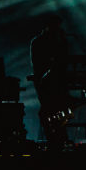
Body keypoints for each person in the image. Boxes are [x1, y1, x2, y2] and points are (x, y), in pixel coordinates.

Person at [30, 15, 71, 149]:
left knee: (59, 108)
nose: (57, 28)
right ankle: (53, 138)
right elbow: (38, 65)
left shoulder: (60, 41)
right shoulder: (38, 42)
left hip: (58, 80)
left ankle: (59, 137)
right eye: (55, 25)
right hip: (45, 82)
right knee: (48, 109)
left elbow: (65, 60)